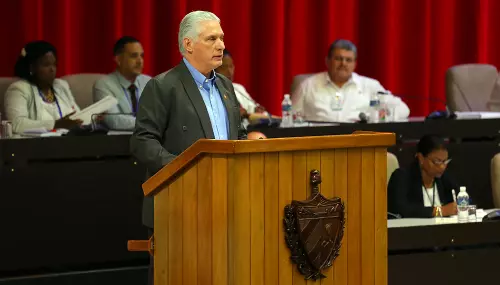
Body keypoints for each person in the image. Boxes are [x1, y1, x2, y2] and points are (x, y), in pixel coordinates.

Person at [129, 11, 246, 284]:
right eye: (212, 38)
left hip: (225, 203)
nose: (221, 45)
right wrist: (184, 171)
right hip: (179, 205)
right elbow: (142, 140)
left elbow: (236, 136)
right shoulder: (163, 86)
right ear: (189, 44)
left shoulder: (226, 87)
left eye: (222, 38)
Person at [292, 39, 410, 122]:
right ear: (327, 61)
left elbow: (403, 109)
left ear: (355, 64)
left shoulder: (370, 86)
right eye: (338, 59)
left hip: (359, 146)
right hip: (318, 146)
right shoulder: (308, 86)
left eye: (348, 60)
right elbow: (290, 119)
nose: (343, 64)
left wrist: (378, 117)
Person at [4, 41, 82, 134]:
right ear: (32, 67)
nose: (52, 69)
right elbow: (17, 124)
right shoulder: (18, 89)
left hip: (69, 142)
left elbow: (78, 115)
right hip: (37, 146)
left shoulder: (61, 86)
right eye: (46, 65)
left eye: (54, 64)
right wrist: (55, 124)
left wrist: (93, 118)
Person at [388, 135, 458, 218]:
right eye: (437, 161)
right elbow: (402, 210)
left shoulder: (444, 178)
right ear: (421, 158)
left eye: (445, 161)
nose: (442, 166)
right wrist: (439, 211)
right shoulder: (402, 177)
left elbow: (465, 200)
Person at [93, 36, 152, 130]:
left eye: (142, 56)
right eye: (134, 56)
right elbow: (114, 121)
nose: (140, 61)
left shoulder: (149, 82)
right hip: (118, 141)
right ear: (118, 60)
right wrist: (150, 124)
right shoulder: (103, 85)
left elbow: (161, 115)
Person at [215, 49, 265, 119]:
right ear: (214, 69)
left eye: (231, 66)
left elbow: (251, 106)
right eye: (224, 67)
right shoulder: (213, 91)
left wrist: (256, 109)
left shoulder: (238, 88)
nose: (229, 72)